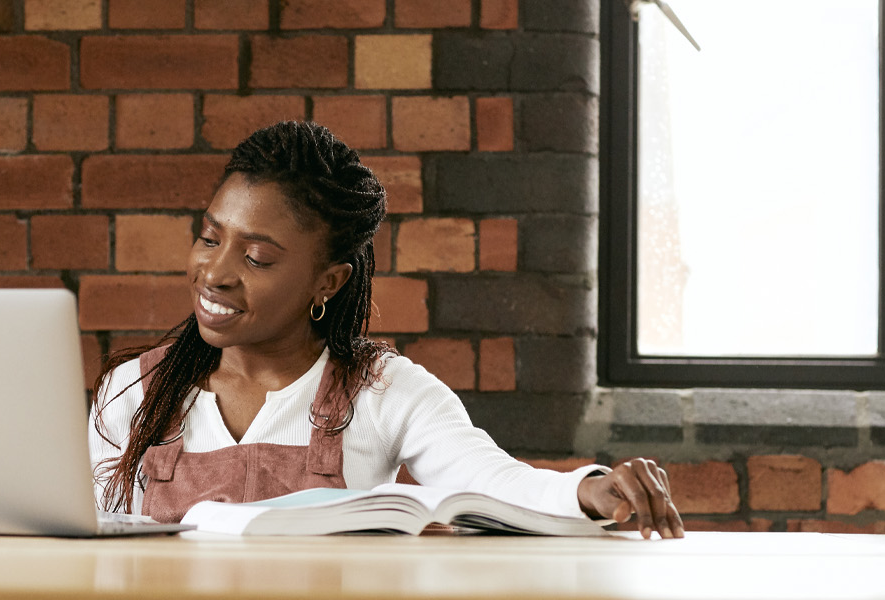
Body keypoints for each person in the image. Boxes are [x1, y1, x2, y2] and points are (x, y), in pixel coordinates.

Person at [90, 121, 684, 539]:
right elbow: (89, 540)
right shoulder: (132, 393)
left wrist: (588, 490)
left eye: (258, 258)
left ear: (328, 281)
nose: (214, 274)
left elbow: (487, 480)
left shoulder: (383, 392)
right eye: (210, 238)